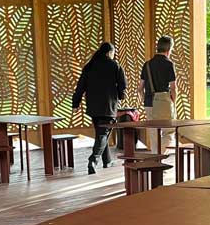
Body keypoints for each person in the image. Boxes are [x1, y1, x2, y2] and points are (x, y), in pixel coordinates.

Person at [72, 41, 127, 174]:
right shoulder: (115, 65)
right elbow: (122, 85)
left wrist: (76, 103)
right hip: (108, 106)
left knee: (101, 133)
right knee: (103, 134)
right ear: (109, 53)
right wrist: (121, 96)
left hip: (93, 106)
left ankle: (107, 160)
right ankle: (93, 160)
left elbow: (80, 86)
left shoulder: (89, 66)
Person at [139, 35, 176, 152]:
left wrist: (145, 99)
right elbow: (173, 88)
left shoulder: (147, 64)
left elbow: (139, 88)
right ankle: (159, 155)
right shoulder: (169, 64)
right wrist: (173, 102)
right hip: (163, 102)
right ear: (169, 49)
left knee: (153, 134)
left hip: (149, 103)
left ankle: (156, 160)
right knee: (169, 132)